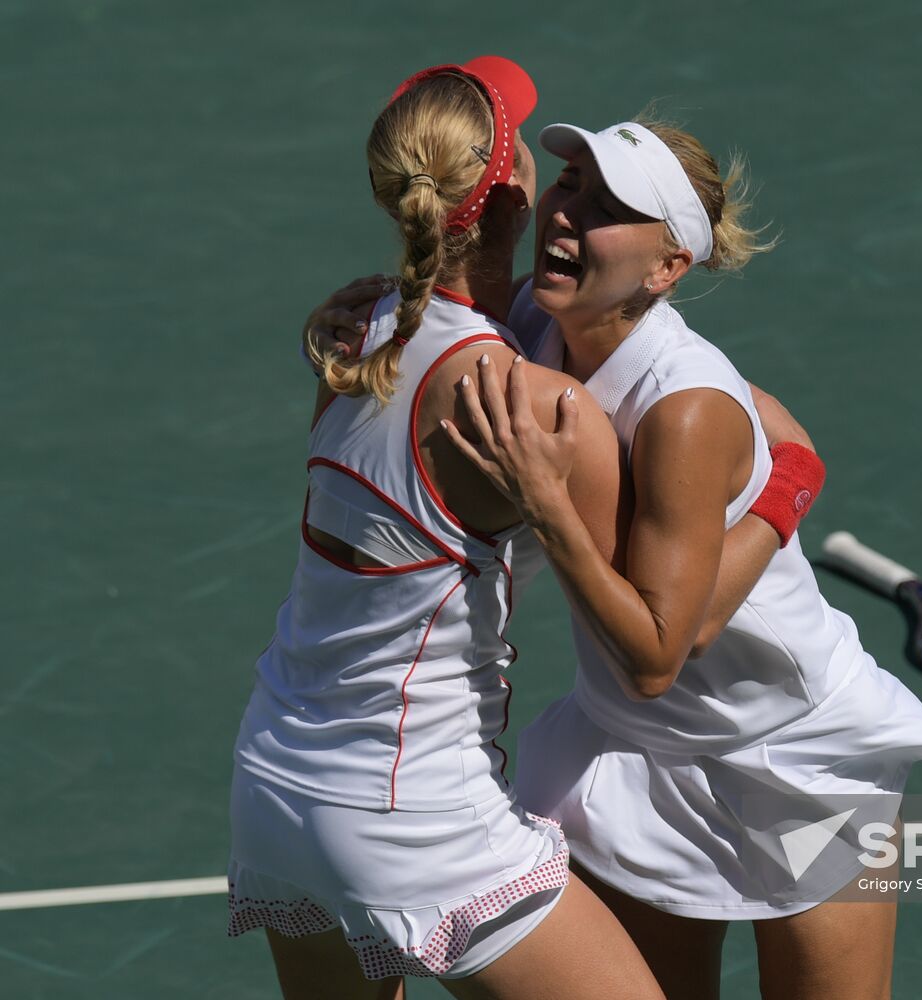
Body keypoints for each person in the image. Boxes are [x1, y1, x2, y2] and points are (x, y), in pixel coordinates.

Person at [438, 118, 922, 1000]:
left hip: (798, 756)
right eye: (568, 187)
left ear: (667, 269)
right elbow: (435, 328)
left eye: (608, 209)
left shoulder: (683, 409)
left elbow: (658, 655)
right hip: (636, 753)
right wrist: (358, 314)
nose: (565, 215)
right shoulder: (533, 316)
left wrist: (547, 502)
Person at [226, 58, 668, 999]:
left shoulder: (353, 339)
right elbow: (651, 648)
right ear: (515, 189)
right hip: (409, 815)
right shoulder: (535, 409)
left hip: (274, 783)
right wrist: (778, 479)